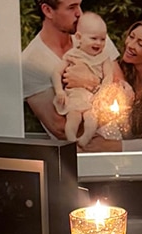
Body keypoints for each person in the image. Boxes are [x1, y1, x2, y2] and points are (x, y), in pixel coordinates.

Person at [21, 0, 118, 141]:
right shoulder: (30, 62)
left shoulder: (94, 35)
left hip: (117, 144)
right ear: (48, 10)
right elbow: (59, 127)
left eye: (79, 5)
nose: (79, 13)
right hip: (78, 153)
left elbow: (123, 93)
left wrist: (90, 82)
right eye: (71, 7)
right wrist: (107, 98)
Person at [76, 19, 142, 153]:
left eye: (140, 44)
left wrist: (113, 146)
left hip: (141, 159)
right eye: (131, 37)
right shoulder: (120, 75)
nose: (130, 45)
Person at [52, 11, 129, 147]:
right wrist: (59, 91)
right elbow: (56, 72)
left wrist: (102, 91)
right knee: (73, 118)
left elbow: (108, 76)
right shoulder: (73, 55)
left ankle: (85, 138)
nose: (98, 43)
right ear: (79, 37)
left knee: (92, 119)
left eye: (103, 39)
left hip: (93, 98)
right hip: (75, 96)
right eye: (93, 38)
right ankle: (71, 140)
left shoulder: (104, 57)